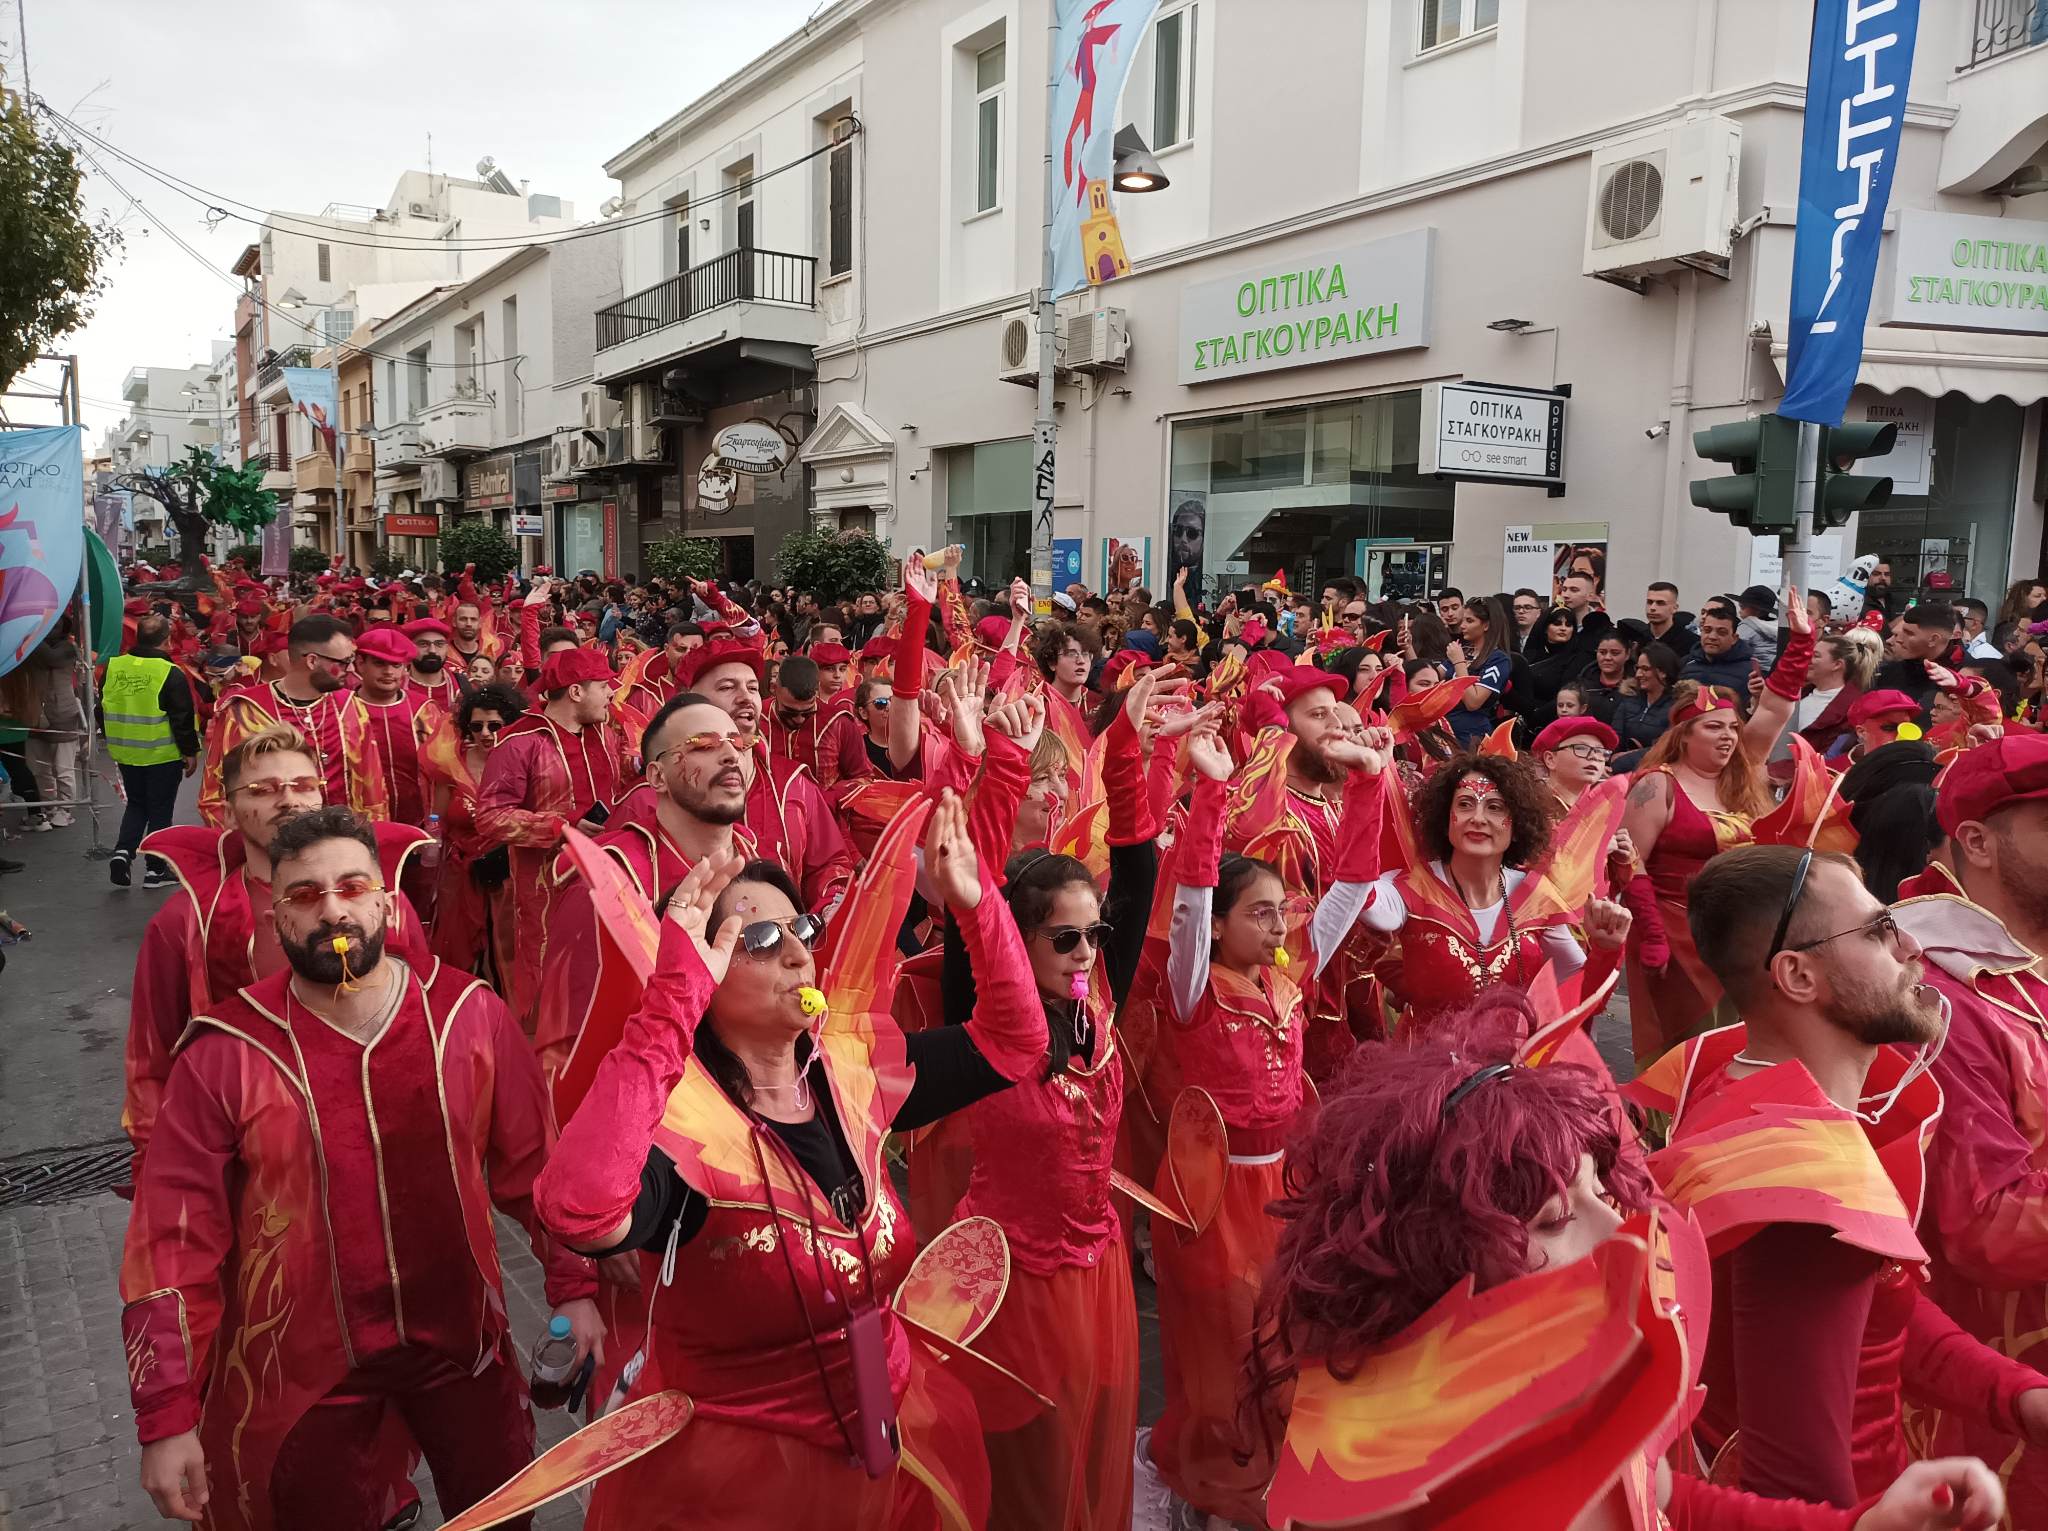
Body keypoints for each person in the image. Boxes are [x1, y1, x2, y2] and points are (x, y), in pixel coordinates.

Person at [1253, 998, 2012, 1531]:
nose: (1621, 1227)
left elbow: (1663, 1498)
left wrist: (1863, 1524)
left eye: (1601, 1191)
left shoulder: (1576, 1372)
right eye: (1554, 1217)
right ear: (1434, 1258)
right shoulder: (1387, 1483)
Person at [533, 799, 1047, 1531]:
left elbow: (1015, 1043)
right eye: (760, 937)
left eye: (802, 928)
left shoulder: (848, 1070)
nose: (798, 951)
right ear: (702, 970)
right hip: (737, 1491)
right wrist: (671, 997)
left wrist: (975, 900)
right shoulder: (683, 1132)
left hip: (887, 1436)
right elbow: (578, 1208)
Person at [120, 806, 600, 1531]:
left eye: (351, 886)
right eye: (305, 895)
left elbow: (539, 1169)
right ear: (276, 915)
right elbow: (172, 1241)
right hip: (301, 1375)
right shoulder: (225, 1051)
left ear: (383, 897)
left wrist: (575, 1289)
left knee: (503, 1517)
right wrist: (166, 1413)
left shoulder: (467, 1013)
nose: (333, 908)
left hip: (462, 1349)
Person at [1633, 845, 2048, 1508]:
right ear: (1798, 975)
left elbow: (1876, 1318)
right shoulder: (1802, 1182)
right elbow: (1796, 1485)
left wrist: (2018, 1395)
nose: (1912, 945)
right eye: (1880, 930)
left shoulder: (1732, 1079)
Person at [944, 670, 1170, 1531]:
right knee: (1031, 1473)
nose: (1084, 952)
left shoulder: (1097, 997)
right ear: (1021, 937)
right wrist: (998, 763)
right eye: (1063, 937)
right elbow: (980, 897)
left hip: (1100, 1268)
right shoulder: (990, 1010)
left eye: (1093, 935)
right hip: (1015, 1277)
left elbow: (1141, 868)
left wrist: (1127, 749)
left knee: (1099, 1449)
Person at [123, 721, 435, 1187]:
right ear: (228, 812)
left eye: (302, 785)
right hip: (256, 1163)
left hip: (383, 1138)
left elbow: (424, 1013)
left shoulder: (379, 901)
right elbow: (151, 1057)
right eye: (262, 790)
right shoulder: (187, 920)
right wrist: (166, 1173)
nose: (288, 800)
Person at [1896, 735, 2048, 1522]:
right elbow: (1988, 1231)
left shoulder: (2034, 958)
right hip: (2010, 1392)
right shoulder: (1942, 998)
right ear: (1979, 841)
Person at [1312, 745, 1630, 1034]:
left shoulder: (1538, 896)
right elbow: (1356, 887)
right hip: (1420, 1084)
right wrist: (1367, 782)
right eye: (1465, 804)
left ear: (1517, 822)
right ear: (1445, 817)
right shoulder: (1408, 888)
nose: (1478, 818)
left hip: (1511, 1078)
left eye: (1495, 808)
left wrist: (1605, 949)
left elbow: (1579, 1000)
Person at [1621, 588, 1814, 1063]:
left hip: (1741, 934)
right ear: (1684, 735)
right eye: (1714, 728)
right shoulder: (1656, 786)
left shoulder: (1742, 771)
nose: (1729, 737)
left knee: (1745, 1047)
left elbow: (1774, 710)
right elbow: (1626, 864)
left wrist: (1801, 644)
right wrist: (1650, 936)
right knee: (1686, 1051)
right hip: (1673, 936)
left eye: (1732, 727)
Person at [475, 646, 627, 1024]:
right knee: (549, 989)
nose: (612, 693)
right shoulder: (520, 742)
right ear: (576, 691)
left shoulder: (606, 737)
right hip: (543, 891)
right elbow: (490, 816)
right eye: (604, 685)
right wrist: (560, 826)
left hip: (608, 881)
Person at [681, 638, 857, 916]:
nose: (744, 696)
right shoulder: (662, 792)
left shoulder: (794, 783)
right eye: (727, 687)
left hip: (787, 944)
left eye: (752, 687)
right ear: (689, 699)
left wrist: (828, 908)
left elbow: (829, 865)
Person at [198, 614, 390, 827]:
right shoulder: (246, 712)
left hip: (342, 845)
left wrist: (369, 840)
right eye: (344, 663)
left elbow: (373, 791)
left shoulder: (350, 706)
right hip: (272, 847)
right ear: (312, 661)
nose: (352, 670)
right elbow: (215, 795)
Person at [430, 683, 525, 983]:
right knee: (458, 952)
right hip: (460, 878)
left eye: (495, 725)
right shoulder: (450, 769)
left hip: (507, 878)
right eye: (477, 726)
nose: (486, 733)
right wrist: (432, 843)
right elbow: (437, 817)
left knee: (506, 957)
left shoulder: (523, 765)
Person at [103, 612, 202, 889]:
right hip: (161, 754)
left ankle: (123, 852)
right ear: (167, 640)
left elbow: (103, 708)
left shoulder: (114, 667)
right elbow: (181, 718)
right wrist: (190, 751)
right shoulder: (169, 673)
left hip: (126, 751)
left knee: (136, 804)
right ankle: (155, 870)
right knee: (159, 811)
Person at [353, 625, 443, 828]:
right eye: (379, 663)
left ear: (405, 668)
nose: (388, 672)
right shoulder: (342, 710)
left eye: (396, 665)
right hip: (359, 828)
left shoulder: (425, 710)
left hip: (420, 825)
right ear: (360, 664)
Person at [763, 653, 869, 791]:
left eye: (807, 713)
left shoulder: (839, 723)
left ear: (817, 688)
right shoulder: (755, 719)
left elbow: (863, 778)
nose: (799, 718)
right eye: (790, 712)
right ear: (774, 688)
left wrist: (828, 800)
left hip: (825, 809)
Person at [1794, 631, 1880, 757]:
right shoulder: (1801, 692)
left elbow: (1830, 760)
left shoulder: (1853, 710)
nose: (1808, 659)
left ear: (1837, 664)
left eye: (1816, 656)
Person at [1446, 595, 1515, 747]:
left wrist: (1459, 663)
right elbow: (1432, 676)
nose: (1462, 625)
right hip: (1446, 730)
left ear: (1486, 625)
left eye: (1469, 621)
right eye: (1462, 620)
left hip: (1471, 736)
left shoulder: (1498, 659)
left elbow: (1473, 702)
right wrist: (1408, 648)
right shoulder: (1463, 650)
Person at [1871, 603, 1955, 712]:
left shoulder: (1959, 679)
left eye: (1909, 633)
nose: (1899, 639)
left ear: (1933, 639)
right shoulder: (1887, 672)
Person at [1615, 640, 1681, 755]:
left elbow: (1667, 749)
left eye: (1645, 669)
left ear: (1663, 672)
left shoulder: (1677, 707)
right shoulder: (1629, 700)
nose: (1638, 674)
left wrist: (1627, 757)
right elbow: (1615, 738)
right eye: (1638, 668)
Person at [1680, 601, 1757, 692]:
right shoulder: (1686, 663)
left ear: (1734, 638)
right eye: (1707, 630)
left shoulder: (1750, 671)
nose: (1712, 637)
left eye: (1721, 632)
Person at [400, 617, 462, 710]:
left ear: (447, 648)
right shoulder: (395, 687)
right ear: (410, 647)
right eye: (423, 644)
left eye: (439, 644)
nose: (432, 650)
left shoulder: (463, 686)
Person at [1737, 584, 1782, 668]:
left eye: (1742, 607)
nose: (1739, 612)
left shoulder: (1747, 625)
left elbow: (1733, 649)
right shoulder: (1779, 628)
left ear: (1758, 610)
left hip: (1754, 674)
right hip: (1774, 673)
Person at [1645, 579, 1694, 647]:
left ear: (1675, 608)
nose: (1652, 608)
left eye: (1660, 603)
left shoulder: (1690, 642)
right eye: (1649, 602)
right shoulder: (1637, 638)